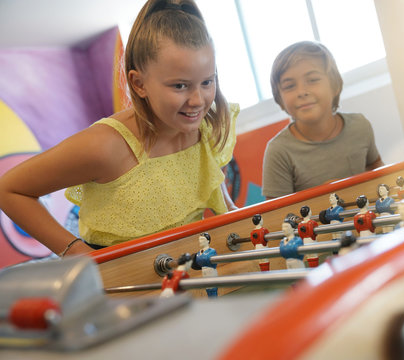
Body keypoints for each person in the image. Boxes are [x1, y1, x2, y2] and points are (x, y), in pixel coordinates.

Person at [0, 0, 238, 257]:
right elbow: (10, 189)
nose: (198, 100)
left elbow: (222, 202)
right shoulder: (104, 146)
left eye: (206, 82)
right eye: (180, 86)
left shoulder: (211, 126)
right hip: (122, 284)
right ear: (138, 84)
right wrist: (74, 249)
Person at [262, 41, 383, 199]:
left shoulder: (360, 126)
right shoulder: (278, 151)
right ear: (280, 98)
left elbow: (377, 170)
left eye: (312, 80)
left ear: (335, 85)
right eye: (290, 86)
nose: (302, 92)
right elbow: (276, 215)